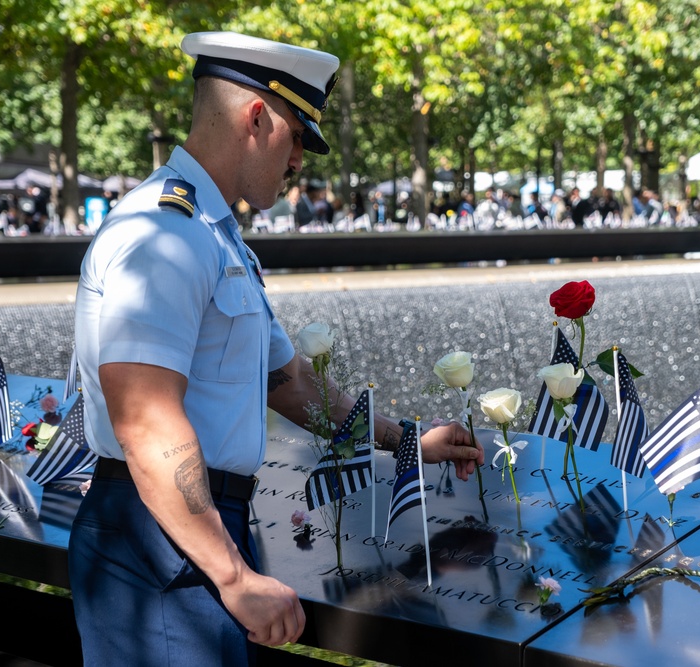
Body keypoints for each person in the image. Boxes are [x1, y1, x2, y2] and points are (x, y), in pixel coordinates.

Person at [71, 31, 484, 666]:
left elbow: (286, 381)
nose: (299, 165)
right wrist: (233, 577)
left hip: (197, 527)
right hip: (162, 533)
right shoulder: (163, 234)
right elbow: (145, 419)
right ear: (257, 117)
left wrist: (405, 439)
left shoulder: (214, 237)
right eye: (298, 139)